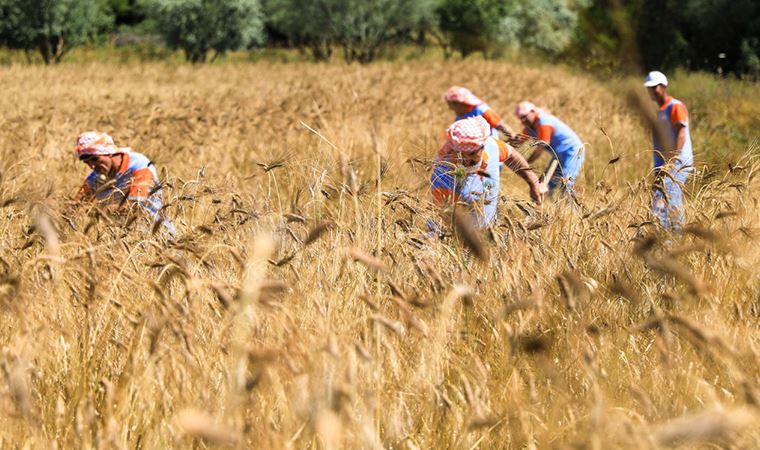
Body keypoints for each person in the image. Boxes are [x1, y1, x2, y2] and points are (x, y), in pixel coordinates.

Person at [430, 116, 546, 228]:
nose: (465, 159)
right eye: (459, 153)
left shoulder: (491, 146)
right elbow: (447, 220)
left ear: (482, 146)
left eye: (471, 153)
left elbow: (511, 154)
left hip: (491, 232)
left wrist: (533, 182)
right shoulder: (443, 176)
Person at [73, 131, 175, 235]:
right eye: (87, 162)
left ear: (109, 152)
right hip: (122, 240)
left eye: (95, 159)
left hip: (157, 235)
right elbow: (75, 206)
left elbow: (135, 206)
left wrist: (94, 211)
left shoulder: (140, 165)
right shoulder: (94, 178)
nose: (92, 166)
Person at [644, 71, 694, 230]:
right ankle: (663, 235)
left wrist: (673, 159)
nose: (652, 91)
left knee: (671, 198)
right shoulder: (661, 111)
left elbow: (681, 133)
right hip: (664, 164)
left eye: (655, 87)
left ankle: (674, 238)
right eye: (650, 88)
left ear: (664, 86)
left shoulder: (675, 106)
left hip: (676, 163)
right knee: (660, 198)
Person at [514, 101, 585, 197]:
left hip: (573, 151)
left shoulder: (543, 122)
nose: (523, 121)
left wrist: (525, 163)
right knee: (547, 183)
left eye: (524, 116)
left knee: (567, 181)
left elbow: (541, 147)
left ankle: (570, 208)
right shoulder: (529, 127)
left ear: (532, 111)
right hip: (558, 154)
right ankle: (547, 207)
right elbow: (520, 140)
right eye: (520, 118)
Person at [444, 86, 516, 139]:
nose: (450, 108)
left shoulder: (482, 111)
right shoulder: (460, 116)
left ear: (459, 103)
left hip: (489, 145)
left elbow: (501, 125)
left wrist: (513, 137)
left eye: (450, 105)